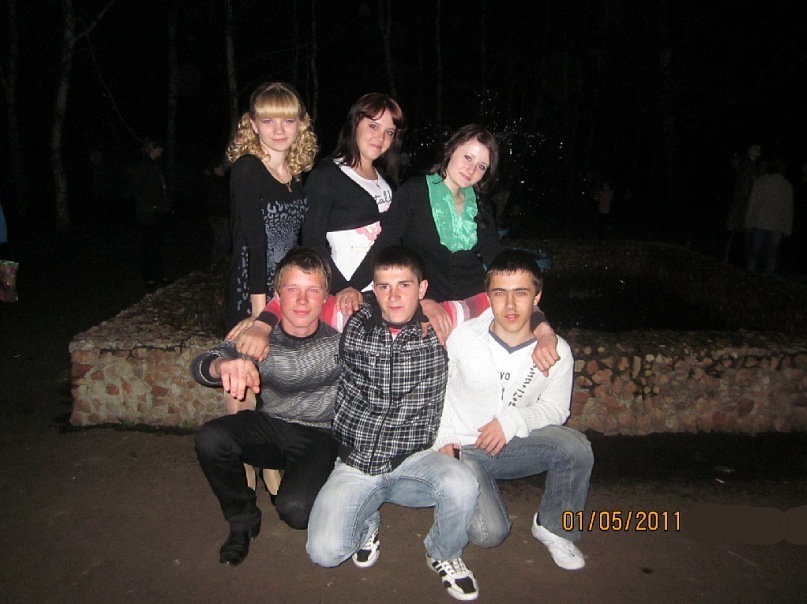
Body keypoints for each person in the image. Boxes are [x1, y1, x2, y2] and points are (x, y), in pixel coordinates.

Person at [306, 246, 482, 601]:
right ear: (374, 289)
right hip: (357, 459)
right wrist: (259, 325)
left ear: (422, 288)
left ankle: (444, 552)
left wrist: (541, 329)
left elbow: (497, 299)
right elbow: (295, 303)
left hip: (415, 457)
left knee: (463, 484)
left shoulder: (443, 317)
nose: (394, 296)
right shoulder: (350, 318)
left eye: (405, 285)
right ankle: (366, 520)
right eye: (384, 286)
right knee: (325, 553)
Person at [322, 124, 559, 371]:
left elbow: (497, 260)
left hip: (473, 301)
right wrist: (350, 286)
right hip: (429, 301)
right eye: (468, 157)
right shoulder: (414, 191)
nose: (471, 170)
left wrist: (537, 315)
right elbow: (385, 243)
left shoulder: (481, 204)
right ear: (451, 149)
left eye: (481, 166)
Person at [435, 249, 593, 571]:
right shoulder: (464, 337)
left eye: (520, 293)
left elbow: (557, 409)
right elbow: (440, 391)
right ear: (488, 297)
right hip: (465, 449)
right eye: (499, 293)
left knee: (575, 447)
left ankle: (554, 528)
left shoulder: (556, 351)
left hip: (514, 446)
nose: (509, 305)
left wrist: (513, 420)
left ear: (537, 297)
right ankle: (459, 493)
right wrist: (444, 437)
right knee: (489, 533)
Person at [193, 248, 340, 566]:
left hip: (318, 435)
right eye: (292, 289)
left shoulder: (340, 339)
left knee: (297, 513)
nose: (302, 301)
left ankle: (299, 488)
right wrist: (222, 366)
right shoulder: (259, 338)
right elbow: (202, 365)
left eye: (312, 290)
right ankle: (242, 521)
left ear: (326, 298)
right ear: (278, 295)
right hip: (270, 427)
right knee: (211, 438)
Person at [224, 81, 318, 332]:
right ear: (253, 125)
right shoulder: (247, 168)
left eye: (287, 121)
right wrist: (259, 314)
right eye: (268, 121)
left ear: (300, 124)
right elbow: (255, 245)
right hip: (253, 290)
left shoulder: (294, 173)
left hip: (288, 286)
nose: (279, 130)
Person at [301, 92, 406, 296]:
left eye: (389, 132)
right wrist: (344, 288)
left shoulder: (387, 180)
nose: (381, 137)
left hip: (387, 292)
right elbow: (312, 243)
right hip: (345, 293)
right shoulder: (326, 175)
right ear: (355, 123)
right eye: (373, 126)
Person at [130, 136, 172, 287]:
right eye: (159, 148)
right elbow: (136, 190)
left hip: (159, 212)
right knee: (147, 245)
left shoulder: (157, 166)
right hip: (147, 214)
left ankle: (159, 274)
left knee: (157, 245)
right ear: (152, 148)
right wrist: (149, 207)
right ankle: (148, 277)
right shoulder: (142, 166)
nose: (162, 150)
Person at [744, 157, 794, 275]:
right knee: (772, 254)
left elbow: (752, 203)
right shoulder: (786, 185)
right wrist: (788, 228)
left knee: (754, 252)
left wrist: (748, 222)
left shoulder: (760, 181)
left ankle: (750, 276)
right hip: (777, 225)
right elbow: (788, 209)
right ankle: (768, 278)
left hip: (759, 222)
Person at [724, 143, 761, 263]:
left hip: (743, 205)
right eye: (754, 147)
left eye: (759, 148)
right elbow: (746, 188)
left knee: (738, 234)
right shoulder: (747, 166)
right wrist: (750, 203)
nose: (757, 150)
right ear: (749, 151)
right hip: (743, 206)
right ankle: (733, 259)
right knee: (738, 234)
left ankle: (733, 259)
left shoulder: (751, 167)